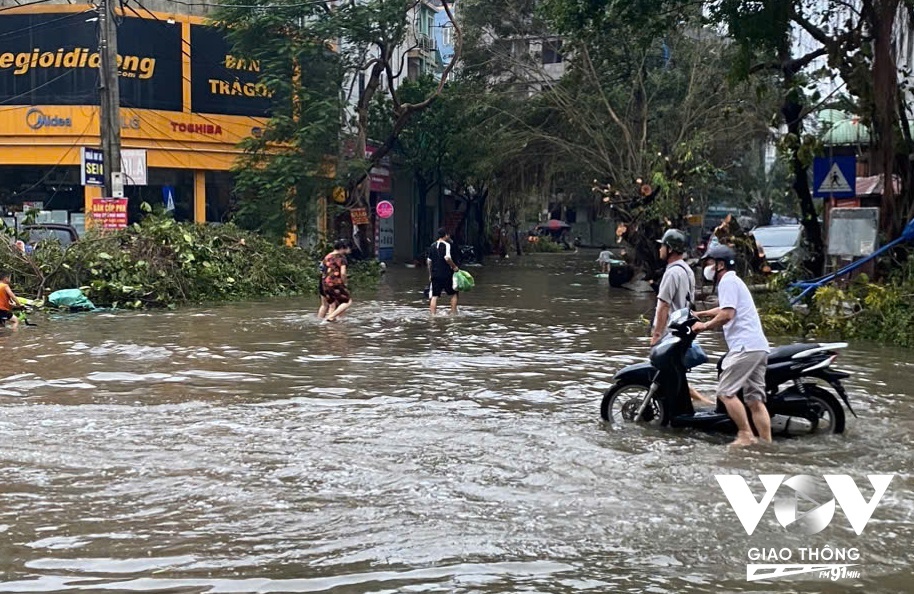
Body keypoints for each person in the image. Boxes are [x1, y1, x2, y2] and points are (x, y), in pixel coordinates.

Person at [693, 245, 772, 447]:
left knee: (725, 392)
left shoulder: (727, 281)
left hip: (745, 348)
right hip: (758, 347)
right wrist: (701, 314)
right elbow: (725, 307)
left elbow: (728, 314)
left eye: (709, 263)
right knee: (755, 401)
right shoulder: (734, 281)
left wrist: (704, 326)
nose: (707, 267)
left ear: (720, 264)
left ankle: (745, 434)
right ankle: (766, 445)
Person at [650, 229, 712, 405]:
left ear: (670, 248)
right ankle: (703, 403)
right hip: (683, 330)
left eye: (662, 245)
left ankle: (705, 404)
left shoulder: (671, 273)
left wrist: (656, 336)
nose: (659, 249)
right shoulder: (687, 270)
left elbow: (663, 306)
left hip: (671, 333)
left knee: (664, 374)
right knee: (677, 376)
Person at [427, 227, 459, 315]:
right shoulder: (447, 245)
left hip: (435, 274)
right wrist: (454, 267)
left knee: (434, 296)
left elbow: (429, 261)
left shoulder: (432, 245)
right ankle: (453, 313)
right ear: (446, 235)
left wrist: (430, 274)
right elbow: (447, 258)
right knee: (454, 293)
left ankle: (433, 316)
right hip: (446, 273)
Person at [322, 239, 353, 323]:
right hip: (335, 282)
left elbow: (323, 270)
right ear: (343, 248)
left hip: (325, 283)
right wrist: (344, 282)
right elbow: (343, 273)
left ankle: (330, 326)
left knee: (332, 304)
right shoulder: (341, 258)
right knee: (347, 301)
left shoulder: (327, 256)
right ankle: (330, 317)